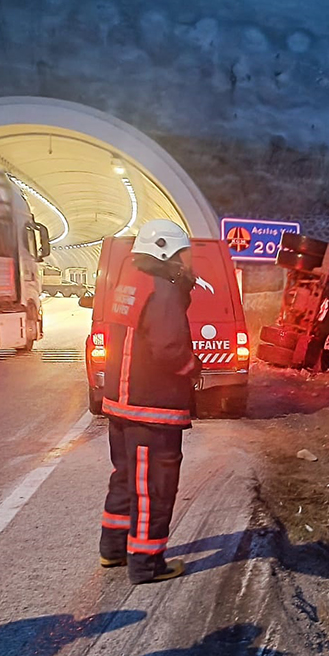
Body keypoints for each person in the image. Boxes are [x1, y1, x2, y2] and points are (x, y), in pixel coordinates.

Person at [98, 219, 201, 584]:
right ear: (164, 251)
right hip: (152, 410)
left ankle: (113, 548)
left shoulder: (130, 283)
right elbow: (170, 347)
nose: (187, 262)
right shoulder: (162, 291)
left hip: (121, 405)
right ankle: (146, 562)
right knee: (154, 487)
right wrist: (193, 369)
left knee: (125, 478)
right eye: (182, 255)